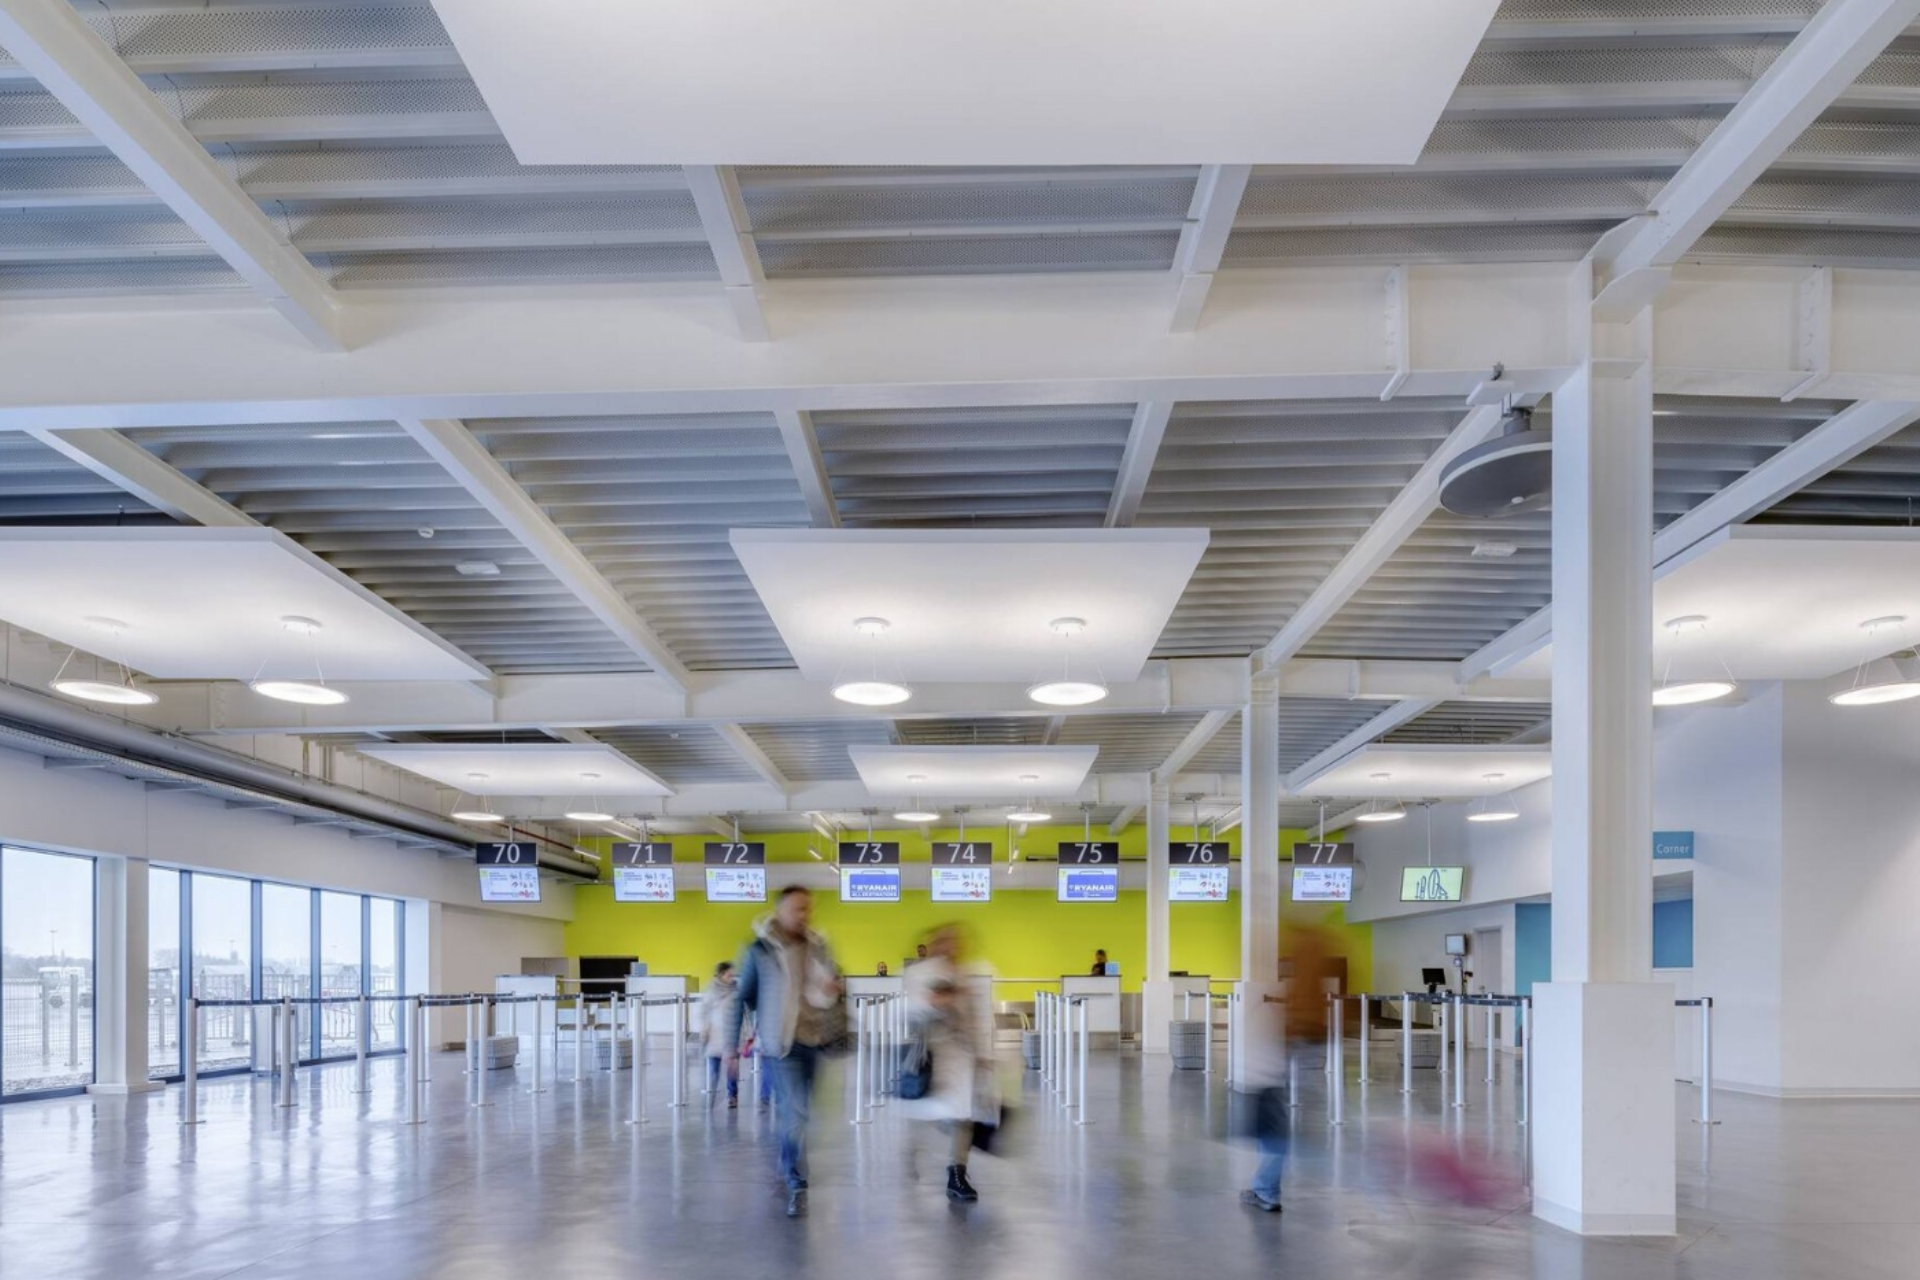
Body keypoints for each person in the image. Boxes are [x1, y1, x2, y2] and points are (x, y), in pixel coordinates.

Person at [730, 885, 843, 1218]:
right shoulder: (760, 950)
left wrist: (833, 988)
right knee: (795, 1112)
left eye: (808, 908)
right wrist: (731, 1047)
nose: (804, 915)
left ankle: (787, 1156)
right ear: (780, 911)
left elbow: (830, 983)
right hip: (780, 1046)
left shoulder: (819, 945)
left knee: (803, 1111)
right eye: (797, 908)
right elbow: (743, 996)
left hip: (815, 1040)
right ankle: (796, 1181)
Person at [1241, 923, 1337, 1214]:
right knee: (1279, 1120)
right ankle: (1266, 1185)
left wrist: (1281, 1039)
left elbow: (1299, 1013)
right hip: (1308, 1042)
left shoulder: (1305, 964)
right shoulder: (1317, 963)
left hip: (1296, 1043)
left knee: (1275, 1123)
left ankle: (1266, 1189)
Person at [901, 923, 1000, 1203]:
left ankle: (957, 1174)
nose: (951, 946)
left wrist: (986, 1055)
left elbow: (980, 1016)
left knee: (964, 1117)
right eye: (944, 941)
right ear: (933, 944)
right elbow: (911, 1012)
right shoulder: (919, 974)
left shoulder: (970, 973)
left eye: (955, 941)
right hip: (933, 1056)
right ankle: (914, 1150)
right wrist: (935, 1002)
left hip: (964, 1056)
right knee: (929, 1114)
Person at [701, 960, 740, 1108]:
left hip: (731, 1033)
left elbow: (742, 1012)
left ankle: (732, 1095)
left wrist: (746, 1033)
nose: (732, 978)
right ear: (721, 975)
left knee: (732, 1068)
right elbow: (705, 1012)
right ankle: (712, 1092)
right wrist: (704, 1030)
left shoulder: (736, 990)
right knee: (714, 1067)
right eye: (729, 975)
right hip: (714, 1034)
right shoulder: (711, 991)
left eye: (733, 975)